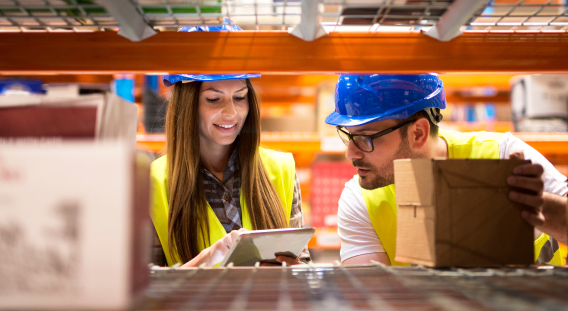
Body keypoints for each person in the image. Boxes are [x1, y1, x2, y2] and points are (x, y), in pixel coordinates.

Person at [325, 74, 567, 266]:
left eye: (366, 139)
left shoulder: (504, 155)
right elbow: (369, 299)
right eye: (348, 137)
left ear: (417, 133)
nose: (351, 154)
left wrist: (541, 206)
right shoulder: (359, 199)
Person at [150, 74, 309, 267]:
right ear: (187, 104)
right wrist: (207, 259)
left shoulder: (282, 168)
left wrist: (296, 271)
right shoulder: (152, 181)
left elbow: (303, 266)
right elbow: (147, 288)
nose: (231, 112)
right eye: (214, 99)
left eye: (240, 97)